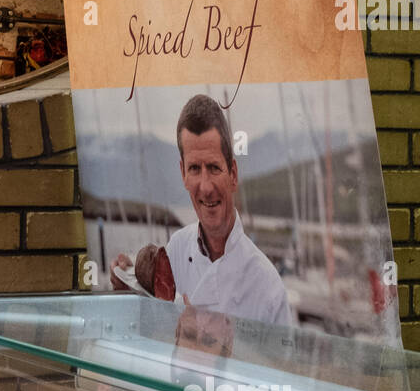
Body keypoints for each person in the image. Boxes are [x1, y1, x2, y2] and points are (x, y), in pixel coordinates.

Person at [112, 94, 292, 327]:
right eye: (195, 168)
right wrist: (128, 290)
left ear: (233, 174)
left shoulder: (269, 289)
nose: (206, 188)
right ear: (183, 174)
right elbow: (153, 331)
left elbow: (280, 364)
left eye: (214, 168)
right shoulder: (175, 249)